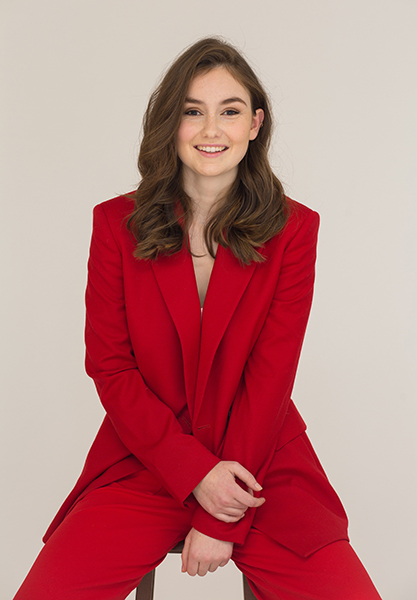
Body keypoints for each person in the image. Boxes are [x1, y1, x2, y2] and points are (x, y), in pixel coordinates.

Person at [14, 37, 382, 600]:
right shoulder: (115, 224)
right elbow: (110, 366)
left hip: (259, 465)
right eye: (193, 111)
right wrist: (194, 472)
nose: (212, 130)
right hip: (146, 459)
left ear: (255, 123)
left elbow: (272, 375)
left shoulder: (294, 230)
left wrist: (219, 516)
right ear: (171, 123)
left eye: (229, 111)